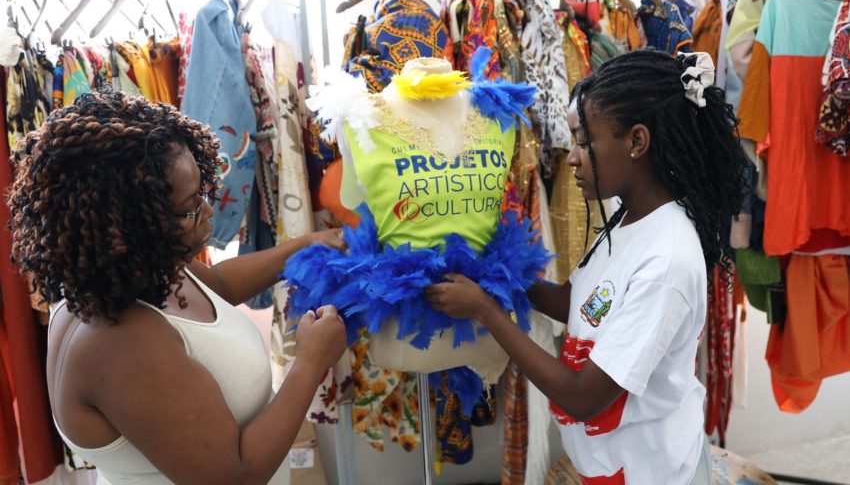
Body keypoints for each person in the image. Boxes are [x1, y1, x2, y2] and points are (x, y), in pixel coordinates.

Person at [426, 51, 748, 484]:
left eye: (584, 141)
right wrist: (498, 277)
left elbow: (583, 397)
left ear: (636, 141)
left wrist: (486, 311)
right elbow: (575, 302)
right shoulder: (626, 218)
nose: (572, 157)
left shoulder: (666, 262)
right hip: (612, 464)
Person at [8, 90, 347, 485]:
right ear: (131, 223)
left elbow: (217, 285)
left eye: (203, 191)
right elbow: (233, 477)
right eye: (190, 205)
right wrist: (309, 362)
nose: (207, 210)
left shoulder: (132, 275)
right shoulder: (124, 343)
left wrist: (303, 248)